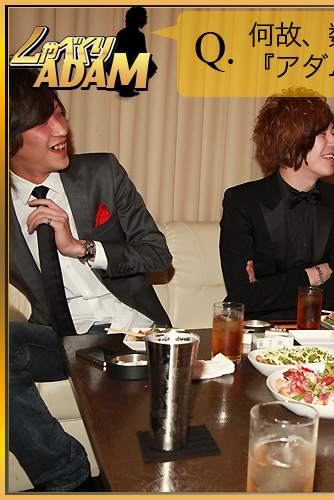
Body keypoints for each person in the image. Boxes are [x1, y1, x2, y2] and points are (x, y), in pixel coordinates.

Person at [8, 68, 171, 491]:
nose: (61, 128)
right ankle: (63, 470)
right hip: (61, 340)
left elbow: (158, 254)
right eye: (43, 121)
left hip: (131, 332)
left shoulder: (102, 172)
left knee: (144, 457)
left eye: (60, 113)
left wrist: (82, 247)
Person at [219, 88, 334, 320]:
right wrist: (315, 274)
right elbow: (243, 296)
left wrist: (269, 289)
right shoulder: (242, 201)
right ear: (290, 142)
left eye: (333, 133)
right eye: (322, 134)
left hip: (316, 326)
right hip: (258, 328)